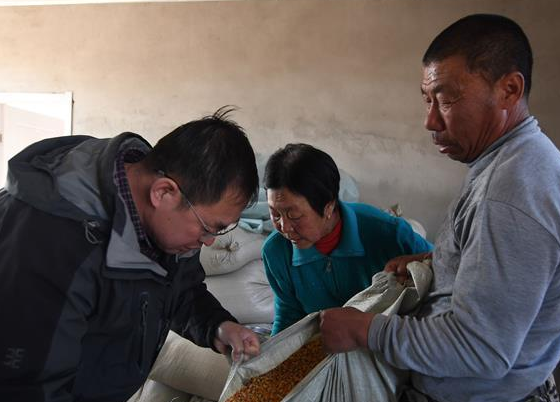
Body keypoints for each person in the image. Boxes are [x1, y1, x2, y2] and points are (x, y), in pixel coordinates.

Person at [319, 14, 560, 402]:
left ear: (509, 90)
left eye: (447, 100)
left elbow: (480, 349)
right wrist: (439, 261)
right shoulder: (516, 163)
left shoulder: (511, 190)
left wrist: (365, 329)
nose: (430, 121)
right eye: (428, 100)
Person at [0, 108, 262, 402]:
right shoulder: (52, 241)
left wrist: (219, 326)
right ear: (163, 193)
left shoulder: (162, 225)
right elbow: (26, 386)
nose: (210, 241)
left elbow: (180, 289)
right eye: (207, 228)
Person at [262, 143, 432, 335]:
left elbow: (443, 270)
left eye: (294, 215)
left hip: (389, 340)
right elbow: (288, 316)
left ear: (328, 207)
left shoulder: (389, 233)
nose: (284, 227)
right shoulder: (276, 251)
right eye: (275, 214)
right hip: (325, 344)